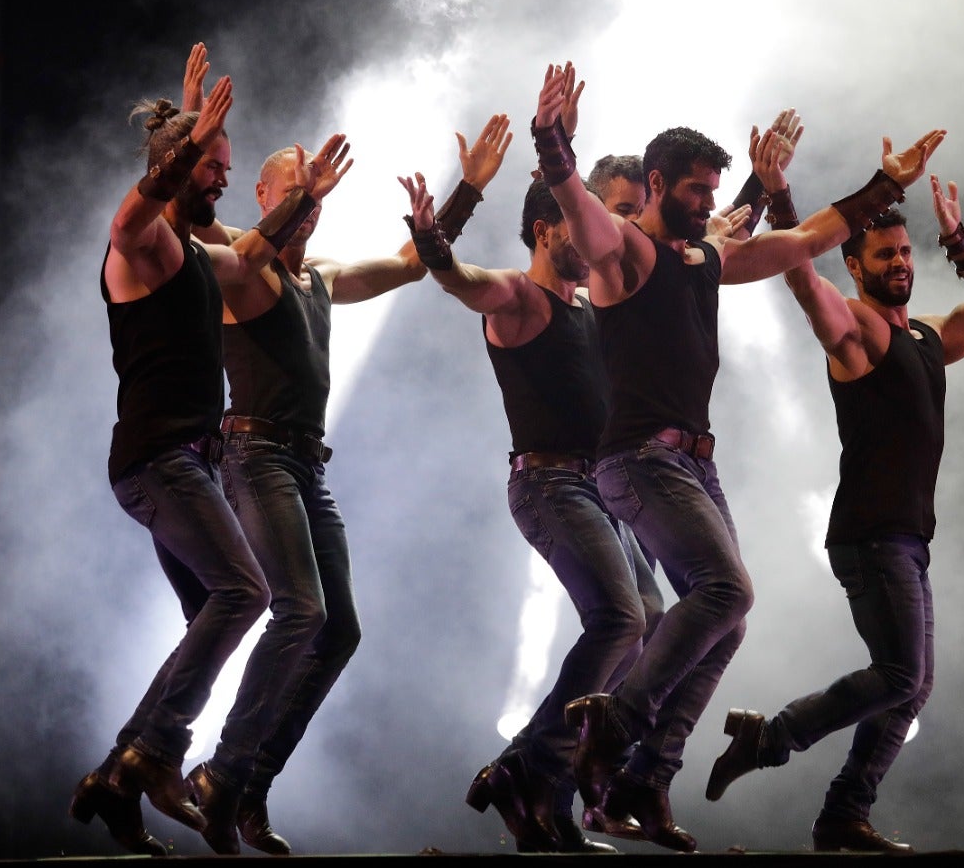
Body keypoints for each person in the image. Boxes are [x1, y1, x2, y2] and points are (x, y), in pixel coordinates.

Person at [525, 60, 939, 851]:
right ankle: (614, 727)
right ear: (656, 184)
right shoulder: (625, 254)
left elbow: (806, 239)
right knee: (726, 590)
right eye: (695, 191)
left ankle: (643, 780)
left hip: (692, 466)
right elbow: (575, 201)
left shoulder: (705, 258)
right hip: (638, 460)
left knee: (728, 621)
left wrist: (885, 184)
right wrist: (552, 137)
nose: (708, 204)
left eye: (713, 192)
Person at [703, 159, 964, 853]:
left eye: (905, 252)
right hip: (870, 536)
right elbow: (801, 279)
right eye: (885, 255)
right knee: (903, 675)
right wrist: (781, 196)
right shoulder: (856, 331)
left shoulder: (929, 337)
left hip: (905, 539)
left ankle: (844, 813)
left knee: (911, 685)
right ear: (855, 266)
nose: (901, 263)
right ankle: (772, 736)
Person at [181, 113, 508, 853]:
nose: (311, 202)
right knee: (299, 609)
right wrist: (193, 134)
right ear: (263, 195)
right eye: (296, 191)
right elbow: (190, 223)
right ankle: (220, 773)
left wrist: (466, 193)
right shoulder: (242, 263)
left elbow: (411, 264)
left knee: (339, 630)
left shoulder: (320, 275)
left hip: (307, 465)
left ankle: (249, 785)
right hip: (255, 455)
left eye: (316, 194)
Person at [71, 72, 348, 855]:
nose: (224, 178)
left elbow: (254, 252)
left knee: (218, 613)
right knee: (246, 592)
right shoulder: (142, 245)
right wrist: (184, 145)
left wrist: (305, 195)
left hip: (190, 465)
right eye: (213, 166)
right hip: (156, 462)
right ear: (178, 165)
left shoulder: (199, 254)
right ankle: (157, 752)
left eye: (226, 166)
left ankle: (118, 778)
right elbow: (130, 218)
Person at [404, 141, 678, 851]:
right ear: (543, 231)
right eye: (574, 228)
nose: (591, 241)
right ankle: (530, 765)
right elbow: (460, 280)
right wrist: (433, 240)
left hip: (601, 488)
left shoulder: (594, 305)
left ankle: (541, 797)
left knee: (649, 620)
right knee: (620, 618)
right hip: (549, 485)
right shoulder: (519, 299)